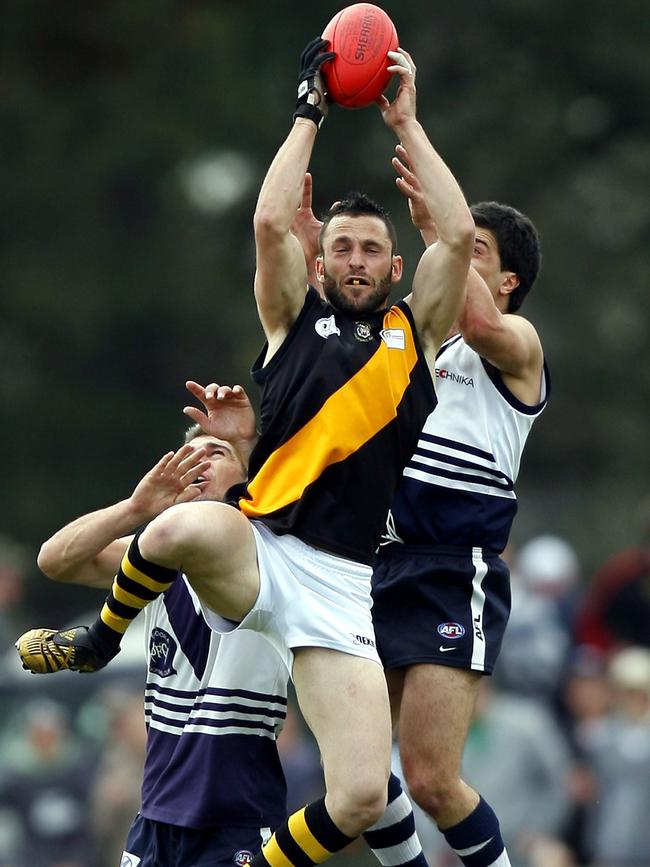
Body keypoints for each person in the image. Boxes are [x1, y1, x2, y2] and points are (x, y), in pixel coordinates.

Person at [17, 36, 475, 867]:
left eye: (372, 249)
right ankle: (96, 640)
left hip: (340, 583)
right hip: (266, 544)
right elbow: (269, 220)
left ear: (394, 264)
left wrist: (407, 123)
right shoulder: (294, 319)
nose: (357, 259)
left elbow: (458, 234)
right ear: (322, 258)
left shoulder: (418, 335)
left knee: (362, 793)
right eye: (342, 247)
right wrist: (311, 109)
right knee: (182, 528)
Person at [21, 384, 433, 867]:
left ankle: (97, 644)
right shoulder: (149, 569)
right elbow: (55, 559)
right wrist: (135, 510)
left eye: (215, 453)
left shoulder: (279, 568)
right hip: (153, 823)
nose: (196, 462)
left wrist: (252, 438)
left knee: (362, 788)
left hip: (238, 825)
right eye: (186, 456)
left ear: (248, 477)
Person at [369, 148, 550, 867]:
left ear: (507, 279)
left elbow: (474, 319)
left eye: (472, 250)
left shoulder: (517, 347)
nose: (451, 254)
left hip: (452, 567)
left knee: (433, 780)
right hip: (374, 565)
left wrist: (435, 223)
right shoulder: (410, 338)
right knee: (357, 776)